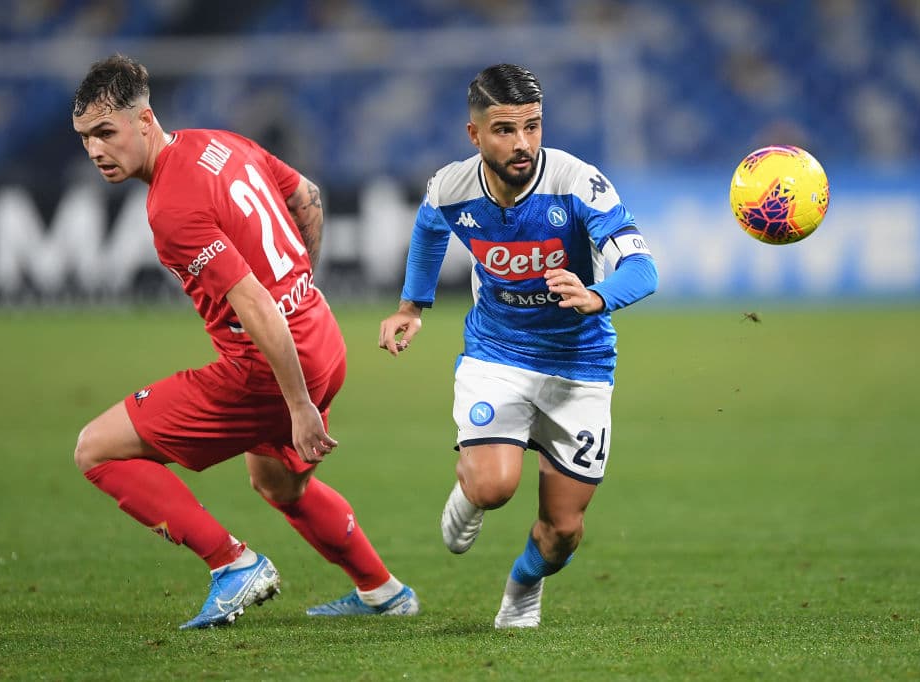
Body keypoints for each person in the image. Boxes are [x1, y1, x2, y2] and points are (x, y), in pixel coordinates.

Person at [71, 54, 418, 630]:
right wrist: (303, 284)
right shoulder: (220, 143)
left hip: (270, 367)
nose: (97, 151)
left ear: (145, 120)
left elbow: (254, 303)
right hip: (322, 337)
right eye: (85, 138)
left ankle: (233, 564)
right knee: (279, 481)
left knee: (96, 448)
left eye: (107, 133)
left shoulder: (172, 206)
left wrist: (298, 404)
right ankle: (384, 590)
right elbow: (307, 195)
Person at [379, 64, 657, 628]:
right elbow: (430, 228)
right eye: (505, 129)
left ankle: (523, 586)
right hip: (497, 354)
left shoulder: (578, 184)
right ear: (474, 134)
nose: (523, 143)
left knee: (563, 533)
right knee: (494, 484)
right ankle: (472, 491)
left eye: (532, 126)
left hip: (580, 364)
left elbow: (643, 269)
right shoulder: (451, 187)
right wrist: (412, 306)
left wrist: (597, 295)